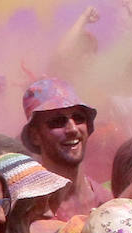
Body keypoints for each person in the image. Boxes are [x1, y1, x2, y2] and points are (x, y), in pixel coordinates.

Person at [19, 77, 109, 220]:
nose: (72, 129)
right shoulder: (26, 210)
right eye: (57, 121)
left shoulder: (106, 201)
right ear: (35, 135)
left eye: (78, 118)